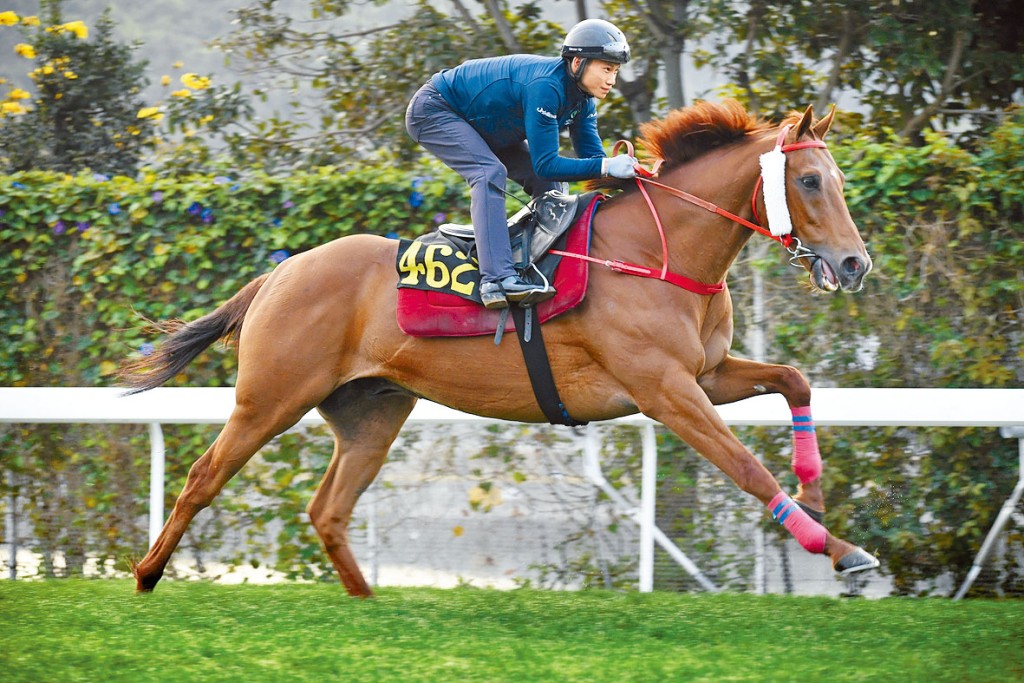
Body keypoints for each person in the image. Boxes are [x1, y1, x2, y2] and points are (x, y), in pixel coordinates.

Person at [405, 19, 638, 309]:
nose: (612, 80)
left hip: (487, 123)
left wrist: (635, 178)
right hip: (435, 109)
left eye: (615, 71)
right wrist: (606, 166)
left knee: (551, 187)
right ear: (578, 62)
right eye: (606, 69)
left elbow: (593, 161)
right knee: (489, 173)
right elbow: (547, 163)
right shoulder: (546, 87)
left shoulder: (584, 101)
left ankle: (541, 265)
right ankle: (495, 278)